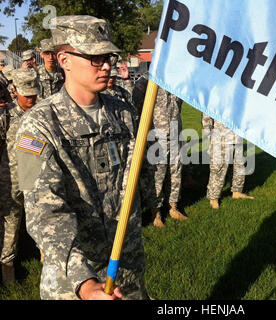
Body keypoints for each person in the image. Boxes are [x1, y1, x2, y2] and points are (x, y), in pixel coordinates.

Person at [15, 15, 148, 300]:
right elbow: (43, 213)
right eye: (94, 57)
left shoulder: (123, 113)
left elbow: (136, 181)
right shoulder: (36, 126)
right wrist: (85, 284)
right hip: (73, 281)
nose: (106, 65)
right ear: (64, 59)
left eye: (108, 57)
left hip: (127, 268)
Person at [0, 69, 39, 285]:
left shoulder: (40, 114)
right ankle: (8, 272)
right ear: (15, 92)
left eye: (34, 94)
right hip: (11, 182)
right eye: (27, 96)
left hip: (35, 178)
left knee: (37, 219)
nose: (31, 99)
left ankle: (43, 257)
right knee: (11, 225)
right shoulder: (6, 115)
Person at [141, 88, 188, 227]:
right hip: (157, 140)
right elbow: (139, 109)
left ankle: (173, 207)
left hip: (176, 137)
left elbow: (178, 107)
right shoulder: (147, 84)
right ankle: (156, 213)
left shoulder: (175, 85)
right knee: (157, 177)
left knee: (175, 174)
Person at [202, 113, 254, 209]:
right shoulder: (215, 97)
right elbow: (206, 116)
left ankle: (237, 192)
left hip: (237, 136)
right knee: (218, 169)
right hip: (220, 137)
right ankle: (213, 198)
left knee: (239, 166)